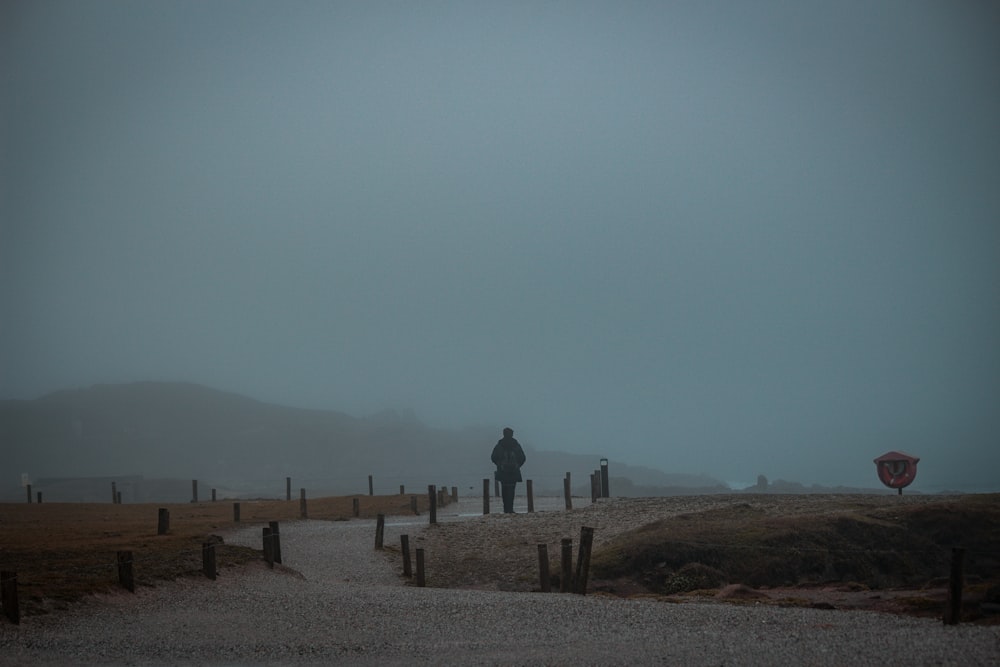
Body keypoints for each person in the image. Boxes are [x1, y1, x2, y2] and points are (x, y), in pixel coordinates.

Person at [491, 427, 526, 513]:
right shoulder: (516, 445)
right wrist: (517, 466)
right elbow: (523, 458)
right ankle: (510, 508)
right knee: (511, 490)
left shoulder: (499, 445)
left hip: (503, 472)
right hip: (514, 472)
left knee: (504, 490)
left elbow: (493, 457)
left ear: (503, 434)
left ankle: (506, 509)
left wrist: (499, 465)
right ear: (512, 434)